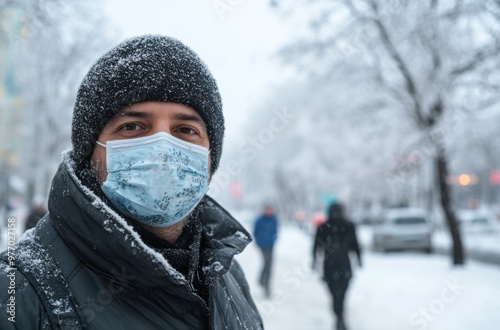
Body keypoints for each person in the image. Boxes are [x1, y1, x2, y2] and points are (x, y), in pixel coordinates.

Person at [0, 35, 263, 329]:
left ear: (211, 158)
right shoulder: (18, 289)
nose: (163, 149)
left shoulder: (228, 277)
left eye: (185, 129)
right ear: (90, 152)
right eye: (133, 126)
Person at [312, 202, 362, 330]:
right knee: (337, 295)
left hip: (339, 266)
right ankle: (340, 318)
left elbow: (355, 244)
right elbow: (316, 245)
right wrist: (313, 259)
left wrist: (359, 258)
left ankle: (339, 318)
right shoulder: (324, 227)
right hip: (335, 266)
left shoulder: (347, 226)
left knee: (339, 295)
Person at [253, 204, 278, 298]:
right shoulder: (259, 220)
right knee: (266, 263)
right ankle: (263, 282)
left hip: (270, 245)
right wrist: (258, 242)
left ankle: (264, 283)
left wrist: (274, 240)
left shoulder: (274, 219)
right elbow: (255, 232)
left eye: (270, 209)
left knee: (269, 265)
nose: (269, 211)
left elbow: (276, 231)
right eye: (268, 209)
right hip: (262, 245)